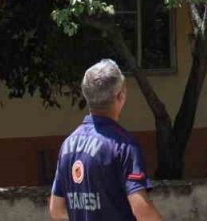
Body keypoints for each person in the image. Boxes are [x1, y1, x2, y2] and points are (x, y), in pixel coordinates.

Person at [49, 60, 162, 221]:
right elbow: (141, 210)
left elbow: (56, 209)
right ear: (120, 96)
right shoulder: (124, 145)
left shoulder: (68, 144)